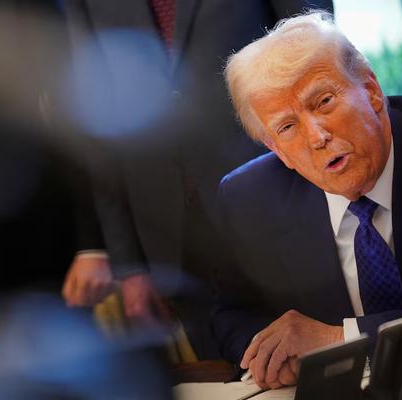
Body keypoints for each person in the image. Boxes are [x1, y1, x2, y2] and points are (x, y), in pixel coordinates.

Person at [212, 10, 402, 389]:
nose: (317, 136)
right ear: (278, 151)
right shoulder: (248, 198)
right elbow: (230, 314)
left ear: (372, 91)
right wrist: (276, 355)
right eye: (288, 127)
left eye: (323, 102)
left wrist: (341, 340)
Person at [59, 0, 334, 359]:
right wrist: (130, 265)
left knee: (328, 352)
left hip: (280, 186)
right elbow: (95, 118)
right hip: (170, 234)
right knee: (234, 370)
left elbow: (310, 39)